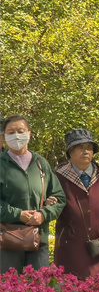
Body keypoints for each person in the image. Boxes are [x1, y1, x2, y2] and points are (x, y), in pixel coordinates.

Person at [0, 115, 65, 273]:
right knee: (9, 291)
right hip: (8, 240)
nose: (16, 135)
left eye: (20, 131)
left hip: (38, 240)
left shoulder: (40, 163)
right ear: (5, 137)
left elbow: (60, 198)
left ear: (29, 134)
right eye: (11, 132)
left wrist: (43, 214)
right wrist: (18, 214)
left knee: (40, 289)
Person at [53, 129, 99, 279]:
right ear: (70, 152)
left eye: (89, 148)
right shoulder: (58, 177)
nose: (86, 151)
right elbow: (51, 209)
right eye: (80, 147)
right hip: (70, 249)